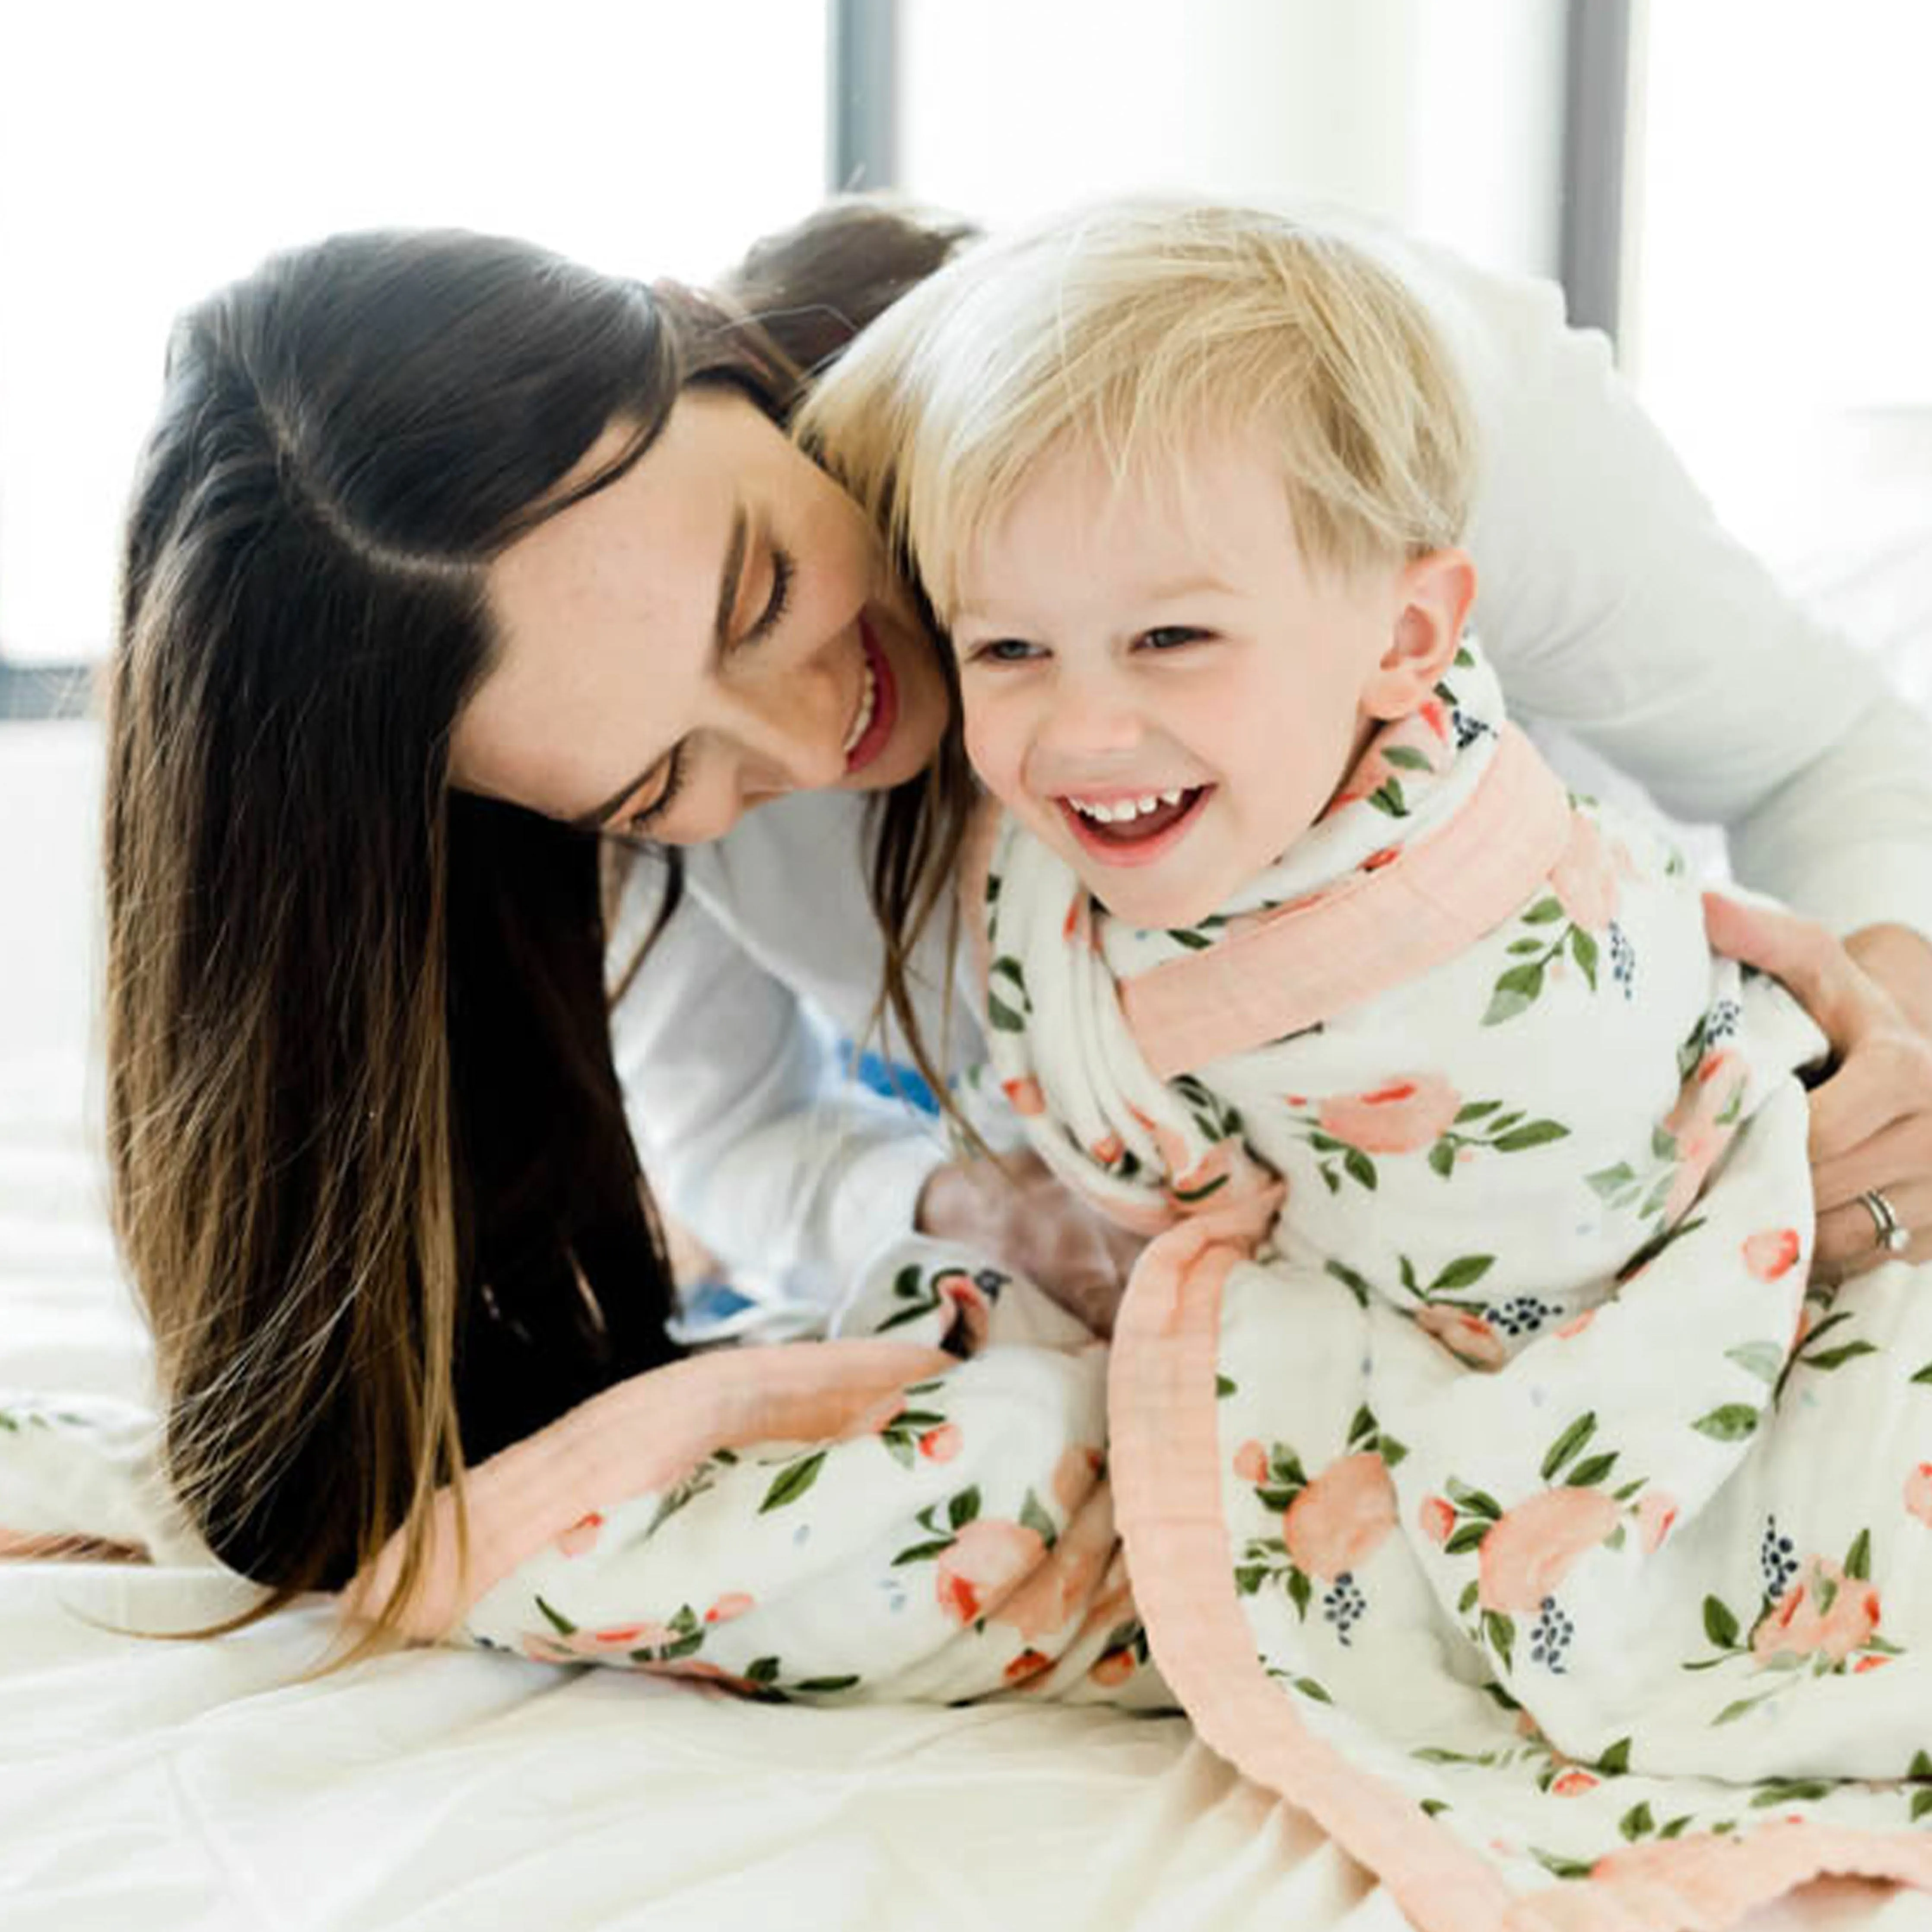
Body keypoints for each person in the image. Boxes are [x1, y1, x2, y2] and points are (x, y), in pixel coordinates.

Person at [102, 200, 1932, 1647]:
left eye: (761, 590)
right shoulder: (582, 758)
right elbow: (733, 1136)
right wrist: (978, 1207)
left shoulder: (1364, 387)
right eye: (654, 783)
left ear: (722, 362)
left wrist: (1891, 1024)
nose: (808, 735)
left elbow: (1833, 749)